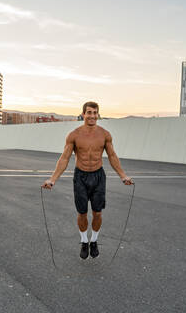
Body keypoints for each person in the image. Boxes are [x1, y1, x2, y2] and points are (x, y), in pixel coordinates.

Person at [42, 102, 134, 259]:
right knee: (82, 213)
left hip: (98, 176)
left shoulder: (105, 134)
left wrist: (123, 175)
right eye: (89, 112)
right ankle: (84, 241)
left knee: (97, 213)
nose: (92, 115)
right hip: (80, 177)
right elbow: (64, 158)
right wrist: (53, 179)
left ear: (98, 114)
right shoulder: (74, 135)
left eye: (95, 112)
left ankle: (94, 240)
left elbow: (112, 156)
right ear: (83, 114)